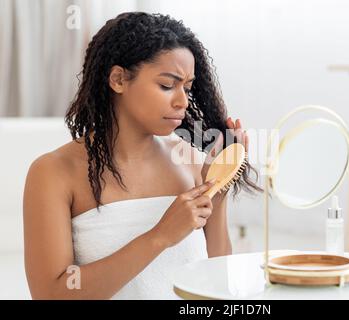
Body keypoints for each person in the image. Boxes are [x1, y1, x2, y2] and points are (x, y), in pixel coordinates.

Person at [23, 12, 260, 299]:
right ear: (118, 79)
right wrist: (159, 237)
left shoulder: (193, 163)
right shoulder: (54, 172)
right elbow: (50, 294)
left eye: (187, 87)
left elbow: (218, 285)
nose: (182, 101)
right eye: (167, 85)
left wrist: (217, 191)